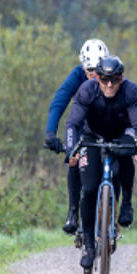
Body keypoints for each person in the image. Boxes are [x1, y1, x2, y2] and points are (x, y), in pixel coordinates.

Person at [62, 55, 137, 270]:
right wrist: (71, 150)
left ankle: (126, 203)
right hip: (93, 136)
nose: (110, 85)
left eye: (115, 80)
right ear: (97, 78)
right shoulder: (86, 90)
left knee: (127, 151)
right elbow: (73, 124)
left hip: (121, 133)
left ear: (122, 78)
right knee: (90, 189)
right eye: (104, 80)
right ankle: (90, 248)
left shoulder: (131, 91)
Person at [44, 39, 108, 235]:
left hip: (107, 126)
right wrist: (50, 134)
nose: (94, 77)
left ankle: (112, 210)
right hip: (82, 128)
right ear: (83, 66)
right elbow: (59, 103)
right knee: (75, 155)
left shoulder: (112, 74)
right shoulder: (76, 75)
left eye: (98, 72)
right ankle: (73, 211)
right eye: (90, 72)